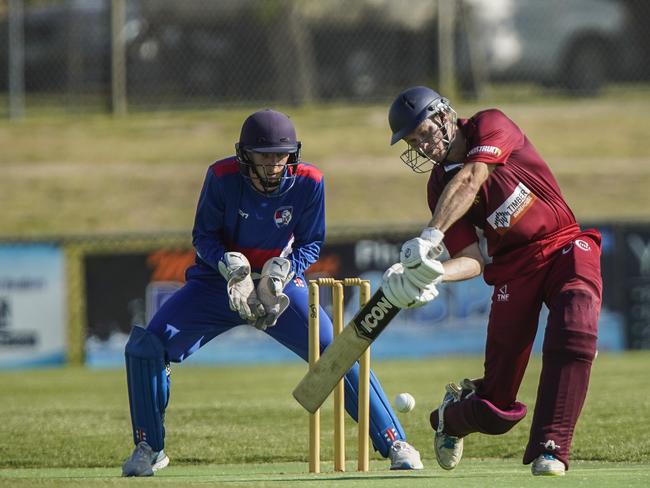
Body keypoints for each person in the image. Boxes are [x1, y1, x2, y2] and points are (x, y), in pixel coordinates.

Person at [121, 109, 424, 476]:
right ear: (244, 154)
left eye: (281, 156)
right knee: (146, 347)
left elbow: (312, 242)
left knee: (338, 352)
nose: (273, 165)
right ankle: (149, 446)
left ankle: (394, 441)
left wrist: (285, 270)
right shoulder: (221, 177)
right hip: (218, 284)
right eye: (264, 156)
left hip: (277, 288)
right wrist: (230, 266)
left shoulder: (310, 181)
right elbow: (203, 237)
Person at [386, 86, 602, 476]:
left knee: (577, 323)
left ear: (444, 115)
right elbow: (469, 260)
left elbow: (472, 177)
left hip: (564, 244)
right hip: (514, 270)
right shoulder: (438, 188)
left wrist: (429, 238)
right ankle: (451, 418)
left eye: (424, 132)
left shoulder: (491, 124)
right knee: (497, 409)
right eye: (414, 141)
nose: (422, 146)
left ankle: (551, 449)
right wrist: (431, 274)